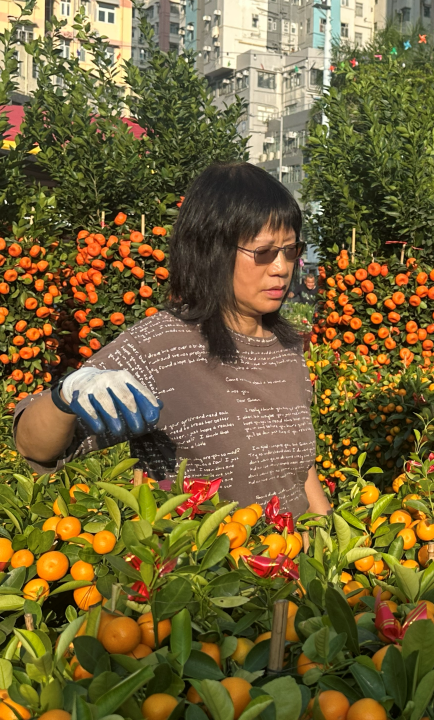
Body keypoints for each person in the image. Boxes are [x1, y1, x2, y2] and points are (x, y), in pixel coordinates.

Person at [14, 162, 330, 518]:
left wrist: (329, 550)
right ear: (212, 250)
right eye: (264, 252)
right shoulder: (160, 347)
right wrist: (64, 397)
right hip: (208, 569)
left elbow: (301, 471)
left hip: (294, 567)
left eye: (290, 250)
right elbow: (33, 446)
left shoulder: (285, 348)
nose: (281, 268)